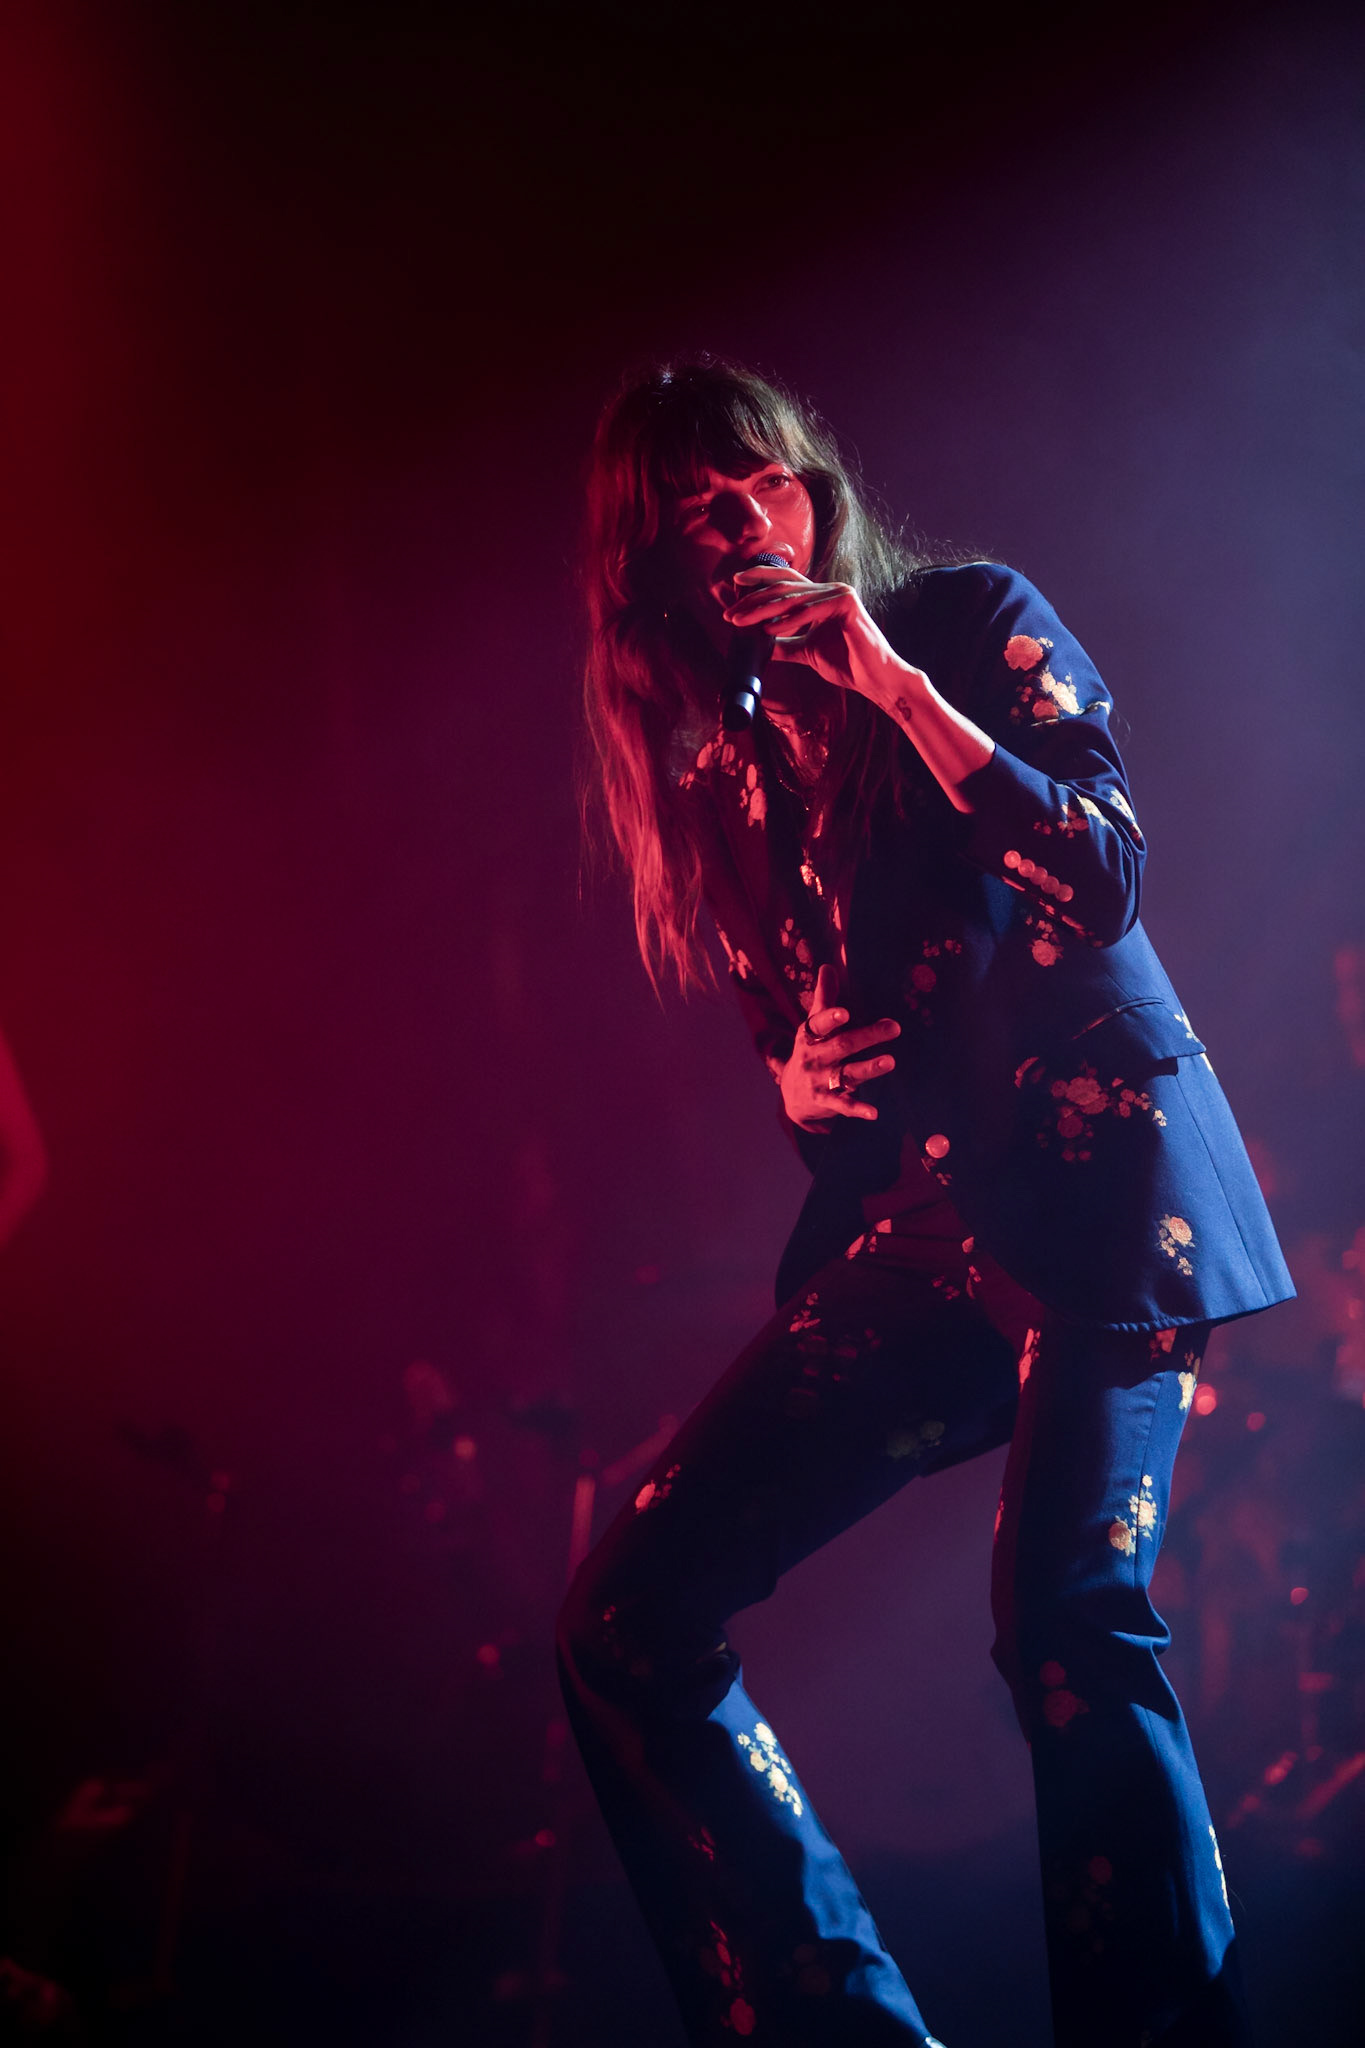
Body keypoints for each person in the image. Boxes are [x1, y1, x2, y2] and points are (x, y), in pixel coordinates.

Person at [559, 358, 1293, 2048]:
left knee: (1065, 1619)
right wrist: (800, 1087)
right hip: (927, 1240)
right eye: (690, 516)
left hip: (1112, 1197)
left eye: (759, 483)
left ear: (812, 488)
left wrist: (889, 685)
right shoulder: (722, 787)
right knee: (623, 1618)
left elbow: (1099, 872)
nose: (738, 523)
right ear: (660, 575)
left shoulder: (963, 620)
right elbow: (832, 1078)